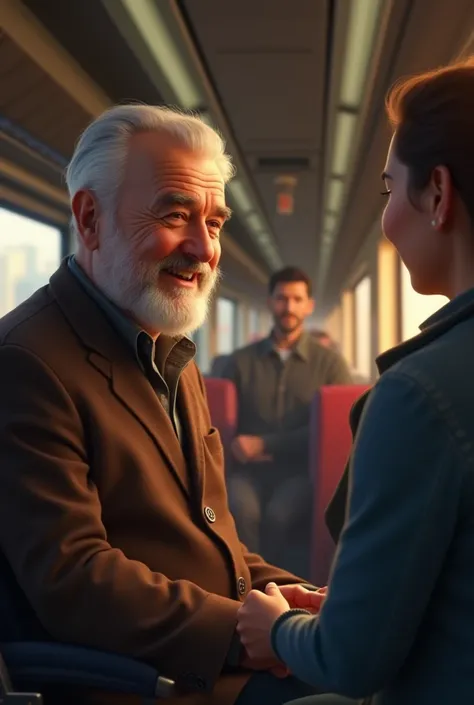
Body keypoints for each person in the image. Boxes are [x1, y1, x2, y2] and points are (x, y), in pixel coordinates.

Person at [0, 105, 330, 705]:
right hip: (146, 677)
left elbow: (213, 540)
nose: (205, 249)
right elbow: (73, 578)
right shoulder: (27, 361)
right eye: (177, 214)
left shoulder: (169, 349)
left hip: (212, 654)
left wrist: (300, 596)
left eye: (216, 222)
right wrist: (244, 633)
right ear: (90, 218)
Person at [236, 56, 474, 705]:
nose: (388, 215)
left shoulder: (417, 394)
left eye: (387, 189)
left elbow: (352, 661)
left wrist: (278, 626)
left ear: (438, 194)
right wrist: (346, 603)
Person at [221, 268, 352, 574]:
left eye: (297, 299)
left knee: (280, 514)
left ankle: (281, 593)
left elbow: (336, 430)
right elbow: (220, 420)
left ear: (309, 305)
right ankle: (245, 593)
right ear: (270, 302)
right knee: (242, 510)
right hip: (248, 471)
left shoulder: (330, 364)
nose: (289, 307)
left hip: (302, 471)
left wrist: (266, 444)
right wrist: (240, 445)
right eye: (282, 298)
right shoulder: (239, 361)